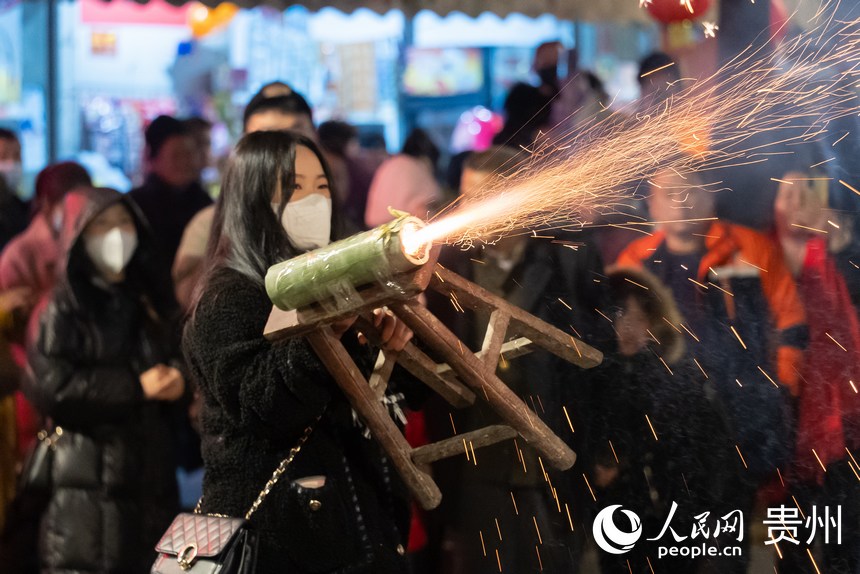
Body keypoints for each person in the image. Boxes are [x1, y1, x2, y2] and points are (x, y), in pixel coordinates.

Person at [183, 130, 416, 572]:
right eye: (294, 189)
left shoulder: (340, 283)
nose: (314, 201)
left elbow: (385, 401)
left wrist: (392, 349)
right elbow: (264, 407)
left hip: (358, 528)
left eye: (322, 187)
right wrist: (324, 329)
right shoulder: (228, 297)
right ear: (251, 199)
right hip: (280, 541)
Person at [433, 146, 610, 574]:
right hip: (477, 458)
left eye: (487, 198)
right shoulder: (448, 266)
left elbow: (602, 364)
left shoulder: (568, 258)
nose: (474, 212)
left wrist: (604, 447)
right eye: (467, 199)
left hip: (553, 458)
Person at [22, 186, 185, 573]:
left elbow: (178, 352)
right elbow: (51, 388)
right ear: (77, 236)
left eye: (124, 223)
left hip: (150, 477)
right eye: (101, 227)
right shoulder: (60, 308)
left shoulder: (147, 300)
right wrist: (135, 386)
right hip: (84, 487)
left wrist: (178, 379)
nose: (116, 236)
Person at [590, 266, 733, 574]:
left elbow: (713, 454)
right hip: (622, 524)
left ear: (654, 320)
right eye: (616, 318)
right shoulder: (600, 379)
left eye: (635, 318)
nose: (624, 329)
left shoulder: (682, 378)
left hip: (678, 525)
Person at [772, 171, 860, 574]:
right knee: (797, 540)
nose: (794, 203)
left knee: (847, 539)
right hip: (794, 419)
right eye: (784, 194)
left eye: (802, 193)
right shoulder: (771, 255)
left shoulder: (840, 254)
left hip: (845, 420)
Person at [173, 87, 318, 311]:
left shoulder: (330, 214)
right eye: (264, 138)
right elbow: (190, 299)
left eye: (295, 134)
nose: (282, 150)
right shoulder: (209, 223)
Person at [129, 115, 212, 269]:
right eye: (176, 155)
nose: (185, 162)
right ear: (154, 158)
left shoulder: (204, 202)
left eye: (189, 153)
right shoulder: (136, 206)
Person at [364, 128, 442, 228]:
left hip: (372, 231)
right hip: (400, 232)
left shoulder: (390, 164)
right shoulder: (417, 166)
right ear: (426, 157)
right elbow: (429, 204)